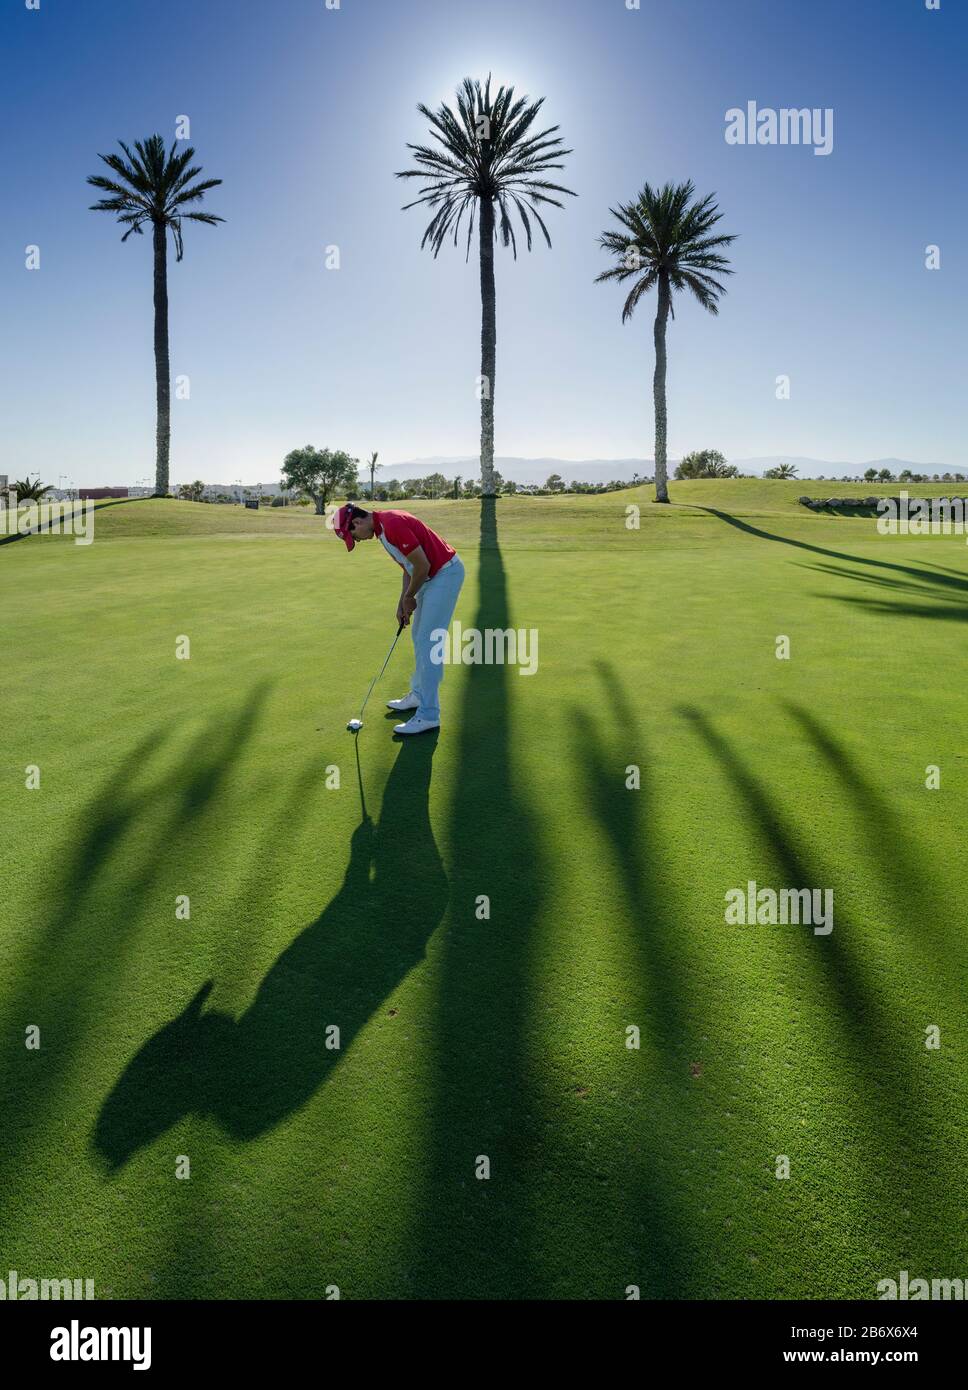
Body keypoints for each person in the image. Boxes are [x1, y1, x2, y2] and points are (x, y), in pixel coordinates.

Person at [333, 504, 465, 734]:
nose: (358, 540)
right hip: (430, 577)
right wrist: (402, 601)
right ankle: (419, 695)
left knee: (428, 643)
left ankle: (429, 714)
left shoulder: (392, 523)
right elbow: (409, 568)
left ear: (357, 523)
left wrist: (410, 597)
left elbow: (422, 566)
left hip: (444, 574)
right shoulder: (382, 529)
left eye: (354, 536)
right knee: (418, 637)